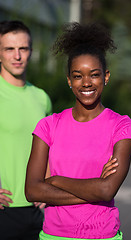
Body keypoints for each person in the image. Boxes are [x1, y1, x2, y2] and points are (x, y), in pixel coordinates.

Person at [25, 22, 131, 240]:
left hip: (103, 234)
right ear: (69, 80)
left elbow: (107, 191)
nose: (86, 82)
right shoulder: (48, 125)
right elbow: (32, 191)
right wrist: (94, 189)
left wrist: (55, 180)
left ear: (106, 76)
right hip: (53, 236)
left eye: (94, 74)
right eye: (77, 76)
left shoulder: (122, 126)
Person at [0, 20, 52, 240]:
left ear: (31, 51)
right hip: (4, 210)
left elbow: (51, 148)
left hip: (39, 209)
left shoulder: (42, 98)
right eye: (9, 49)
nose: (17, 56)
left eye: (23, 48)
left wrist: (49, 186)